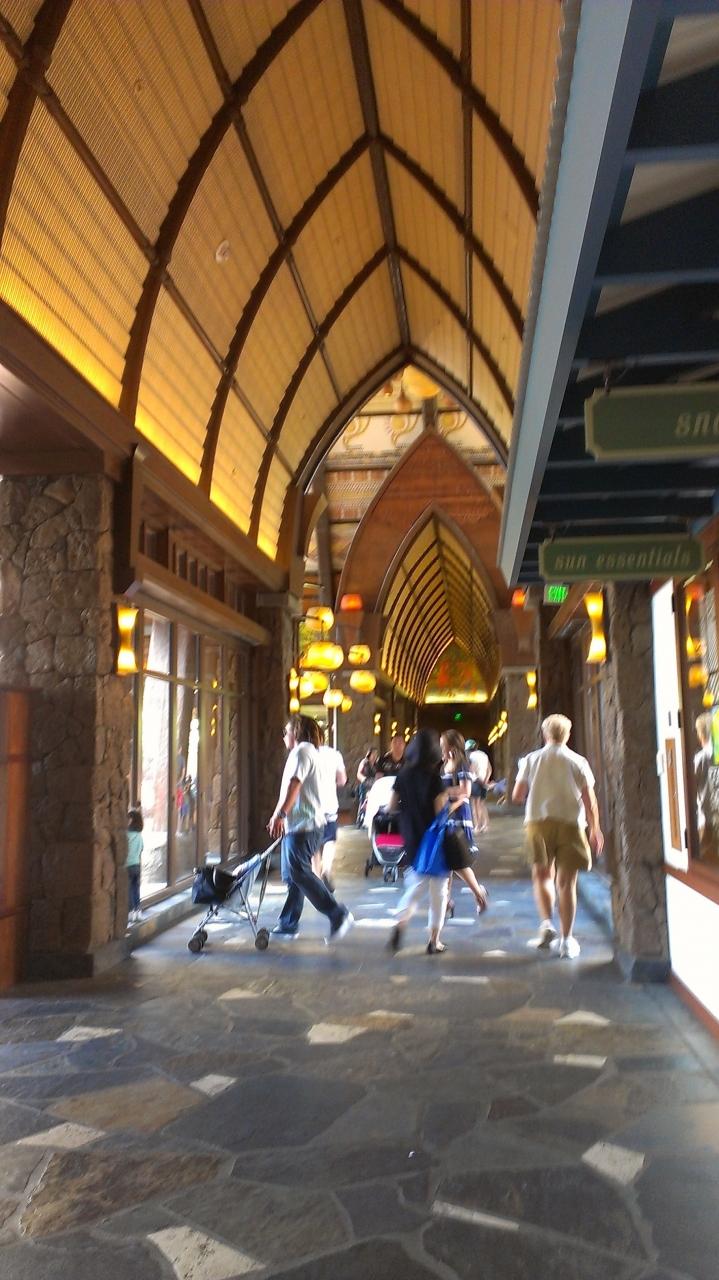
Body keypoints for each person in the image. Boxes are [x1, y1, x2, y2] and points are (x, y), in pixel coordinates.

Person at [512, 713, 603, 959]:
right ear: (568, 735)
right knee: (567, 883)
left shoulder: (531, 760)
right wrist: (595, 828)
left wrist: (536, 792)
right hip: (571, 824)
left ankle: (546, 925)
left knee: (542, 876)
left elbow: (517, 795)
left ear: (544, 734)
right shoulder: (578, 761)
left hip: (538, 824)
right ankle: (567, 940)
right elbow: (590, 800)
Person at [268, 714, 353, 943]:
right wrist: (278, 815)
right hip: (299, 825)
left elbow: (295, 785)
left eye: (286, 731)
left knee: (298, 872)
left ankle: (337, 914)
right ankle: (288, 923)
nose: (284, 736)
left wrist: (280, 814)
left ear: (296, 731)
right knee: (292, 875)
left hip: (304, 825)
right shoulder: (306, 752)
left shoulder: (302, 752)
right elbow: (289, 788)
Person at [386, 728, 451, 954]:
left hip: (410, 836)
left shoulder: (403, 775)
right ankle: (434, 940)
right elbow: (439, 810)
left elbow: (391, 806)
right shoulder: (434, 778)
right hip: (432, 839)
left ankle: (401, 922)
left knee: (416, 883)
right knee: (439, 891)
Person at [440, 730, 490, 917]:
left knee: (457, 860)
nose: (441, 748)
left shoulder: (462, 764)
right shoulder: (444, 764)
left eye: (443, 744)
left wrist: (443, 793)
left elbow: (465, 791)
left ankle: (478, 894)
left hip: (458, 816)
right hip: (446, 814)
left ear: (451, 746)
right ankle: (445, 900)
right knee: (448, 860)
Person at [313, 728, 347, 892]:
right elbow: (342, 780)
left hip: (311, 806)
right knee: (329, 840)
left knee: (314, 844)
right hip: (329, 803)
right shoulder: (335, 754)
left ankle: (316, 877)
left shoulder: (307, 754)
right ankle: (326, 870)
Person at [694, 713, 719, 864]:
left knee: (707, 861)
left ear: (702, 734)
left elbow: (691, 787)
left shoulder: (701, 758)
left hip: (707, 819)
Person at [466, 738, 492, 833]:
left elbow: (472, 770)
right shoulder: (484, 755)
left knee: (474, 805)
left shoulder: (471, 756)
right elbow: (489, 769)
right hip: (484, 781)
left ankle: (477, 826)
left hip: (475, 781)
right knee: (482, 804)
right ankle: (486, 825)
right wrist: (485, 780)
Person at [126, 807, 144, 925]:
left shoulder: (126, 835)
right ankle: (138, 911)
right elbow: (141, 848)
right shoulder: (139, 835)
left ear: (131, 820)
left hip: (127, 865)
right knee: (136, 889)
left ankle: (131, 911)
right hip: (137, 865)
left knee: (128, 889)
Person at [355, 745, 379, 825]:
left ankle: (369, 819)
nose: (375, 756)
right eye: (373, 754)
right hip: (364, 784)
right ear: (369, 754)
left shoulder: (376, 765)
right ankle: (360, 819)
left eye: (376, 754)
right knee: (363, 801)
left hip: (373, 785)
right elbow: (359, 774)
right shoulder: (364, 762)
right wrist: (364, 779)